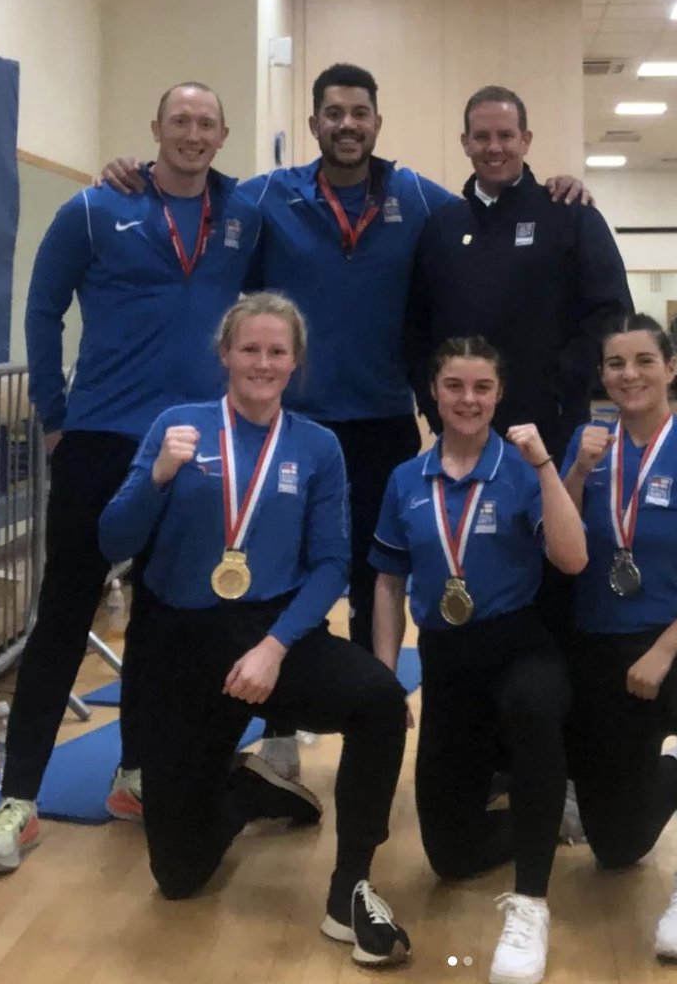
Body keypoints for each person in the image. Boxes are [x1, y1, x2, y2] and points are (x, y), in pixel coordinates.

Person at [99, 65, 589, 782]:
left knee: (372, 582)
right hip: (286, 433)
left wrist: (557, 191)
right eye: (334, 113)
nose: (348, 124)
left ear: (377, 124)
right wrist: (138, 172)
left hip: (382, 425)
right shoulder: (267, 197)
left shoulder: (419, 197)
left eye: (360, 112)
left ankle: (373, 728)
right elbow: (193, 183)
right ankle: (278, 729)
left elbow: (489, 207)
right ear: (315, 123)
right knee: (279, 578)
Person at [0, 83, 263, 874]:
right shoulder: (96, 210)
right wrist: (54, 413)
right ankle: (17, 800)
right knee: (65, 611)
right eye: (180, 122)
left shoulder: (243, 215)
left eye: (207, 123)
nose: (193, 135)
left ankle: (133, 776)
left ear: (223, 133)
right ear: (155, 131)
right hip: (99, 439)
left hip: (195, 445)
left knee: (163, 622)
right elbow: (42, 306)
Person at [98, 293, 411, 966]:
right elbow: (112, 537)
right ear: (225, 355)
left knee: (380, 700)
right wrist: (155, 477)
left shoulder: (316, 445)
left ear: (295, 362)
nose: (262, 363)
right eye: (250, 349)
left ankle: (350, 886)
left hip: (271, 631)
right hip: (177, 641)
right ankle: (246, 788)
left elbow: (331, 565)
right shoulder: (176, 427)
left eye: (276, 351)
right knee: (178, 879)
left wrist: (274, 648)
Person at [370, 337, 586, 984]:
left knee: (531, 705)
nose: (468, 400)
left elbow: (572, 559)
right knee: (450, 857)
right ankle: (551, 812)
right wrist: (386, 680)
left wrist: (546, 466)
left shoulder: (520, 470)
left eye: (482, 388)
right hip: (447, 661)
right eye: (455, 386)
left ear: (499, 395)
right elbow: (386, 582)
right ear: (433, 393)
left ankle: (532, 901)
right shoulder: (406, 480)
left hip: (519, 646)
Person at [560, 314, 677, 964]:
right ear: (603, 375)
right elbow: (558, 552)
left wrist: (667, 649)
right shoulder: (585, 448)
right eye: (616, 363)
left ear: (670, 368)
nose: (629, 374)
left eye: (644, 360)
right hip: (600, 648)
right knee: (615, 850)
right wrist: (579, 475)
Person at [407, 84, 631, 462]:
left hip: (552, 431)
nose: (494, 147)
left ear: (525, 140)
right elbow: (416, 328)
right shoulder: (441, 228)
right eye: (481, 137)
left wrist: (560, 386)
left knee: (554, 523)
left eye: (506, 135)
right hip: (464, 430)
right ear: (465, 143)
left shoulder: (571, 216)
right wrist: (435, 405)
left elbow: (612, 313)